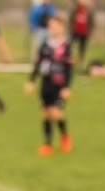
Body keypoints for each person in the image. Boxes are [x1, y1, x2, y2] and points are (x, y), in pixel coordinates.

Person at [26, 14, 74, 155]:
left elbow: (69, 68)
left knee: (56, 113)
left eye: (56, 26)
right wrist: (31, 81)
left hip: (59, 84)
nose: (53, 29)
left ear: (62, 28)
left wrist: (67, 87)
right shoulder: (45, 45)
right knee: (46, 113)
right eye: (51, 27)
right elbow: (37, 64)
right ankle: (47, 144)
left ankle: (65, 136)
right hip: (46, 82)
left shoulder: (66, 46)